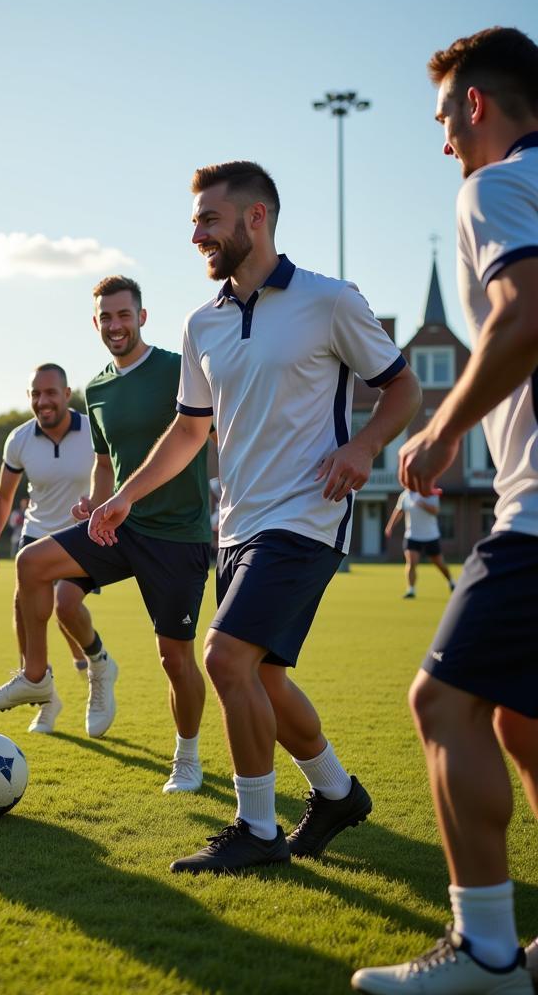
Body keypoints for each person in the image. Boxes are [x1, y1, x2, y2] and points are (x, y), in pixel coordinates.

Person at [91, 162, 421, 873]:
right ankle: (336, 793)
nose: (197, 233)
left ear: (257, 218)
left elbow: (401, 386)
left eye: (209, 219)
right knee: (263, 678)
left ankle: (258, 831)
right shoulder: (201, 322)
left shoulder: (330, 301)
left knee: (223, 658)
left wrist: (365, 445)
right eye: (195, 220)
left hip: (307, 516)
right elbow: (188, 433)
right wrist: (127, 494)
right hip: (235, 526)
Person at [353, 26, 538, 995]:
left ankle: (487, 952)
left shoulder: (498, 183)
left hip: (537, 510)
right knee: (517, 719)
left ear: (475, 105)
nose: (442, 146)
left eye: (441, 120)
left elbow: (522, 317)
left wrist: (438, 433)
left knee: (440, 702)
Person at [0, 277, 213, 794]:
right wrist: (98, 503)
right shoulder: (98, 388)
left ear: (142, 317)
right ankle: (36, 676)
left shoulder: (177, 369)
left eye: (123, 315)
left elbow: (204, 436)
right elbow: (105, 462)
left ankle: (187, 758)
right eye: (106, 317)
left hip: (178, 535)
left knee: (175, 658)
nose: (115, 325)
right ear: (95, 323)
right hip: (122, 527)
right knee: (32, 564)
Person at [0, 364, 100, 734]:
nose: (42, 401)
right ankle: (42, 693)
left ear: (66, 394)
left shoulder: (93, 430)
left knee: (66, 606)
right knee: (22, 608)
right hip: (36, 535)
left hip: (80, 535)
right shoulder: (19, 439)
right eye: (35, 394)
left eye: (50, 393)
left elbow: (114, 471)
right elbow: (4, 496)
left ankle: (97, 664)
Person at [384, 488, 456, 598]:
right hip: (412, 535)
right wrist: (390, 527)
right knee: (411, 562)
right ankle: (411, 590)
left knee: (439, 563)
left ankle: (451, 582)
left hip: (430, 535)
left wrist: (423, 505)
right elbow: (398, 511)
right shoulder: (404, 495)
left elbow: (436, 511)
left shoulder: (431, 493)